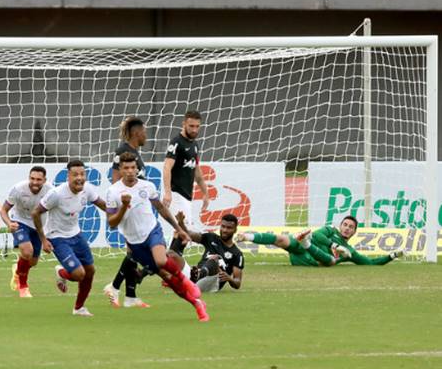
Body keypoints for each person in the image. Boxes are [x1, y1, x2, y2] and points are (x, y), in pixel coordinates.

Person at [106, 153, 208, 321]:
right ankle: (196, 304)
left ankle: (186, 280)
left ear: (137, 169)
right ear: (120, 170)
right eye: (126, 168)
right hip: (134, 241)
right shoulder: (113, 192)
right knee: (165, 275)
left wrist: (178, 228)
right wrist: (124, 206)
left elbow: (160, 208)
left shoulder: (147, 186)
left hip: (152, 231)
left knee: (161, 260)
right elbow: (112, 223)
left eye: (133, 167)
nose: (130, 171)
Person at [31, 159, 106, 317]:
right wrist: (43, 239)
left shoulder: (87, 189)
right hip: (57, 237)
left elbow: (103, 205)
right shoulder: (56, 194)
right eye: (75, 175)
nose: (79, 178)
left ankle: (79, 308)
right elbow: (35, 212)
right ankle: (62, 273)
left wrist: (122, 211)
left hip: (76, 234)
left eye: (82, 174)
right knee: (79, 274)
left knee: (90, 271)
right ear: (68, 176)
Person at [104, 116, 151, 308]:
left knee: (135, 252)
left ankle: (130, 296)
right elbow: (116, 180)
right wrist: (123, 205)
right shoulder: (123, 151)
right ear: (136, 132)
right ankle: (114, 287)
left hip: (136, 208)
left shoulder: (134, 153)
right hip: (127, 209)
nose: (146, 135)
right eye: (144, 131)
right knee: (135, 252)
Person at [236, 215, 405, 267]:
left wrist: (392, 255)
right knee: (280, 239)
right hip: (302, 250)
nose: (346, 228)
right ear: (340, 226)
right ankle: (248, 237)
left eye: (350, 227)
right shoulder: (330, 230)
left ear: (354, 232)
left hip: (311, 260)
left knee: (331, 261)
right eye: (344, 225)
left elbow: (370, 263)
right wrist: (335, 245)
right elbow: (317, 235)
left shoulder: (349, 251)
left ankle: (305, 243)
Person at [0, 166, 53, 298]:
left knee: (33, 262)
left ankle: (18, 270)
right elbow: (3, 210)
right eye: (32, 178)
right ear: (29, 177)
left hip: (38, 225)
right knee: (27, 251)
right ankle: (23, 287)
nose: (35, 182)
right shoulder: (18, 189)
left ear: (44, 180)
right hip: (19, 221)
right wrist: (9, 223)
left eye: (39, 179)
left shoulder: (51, 192)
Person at [162, 110, 210, 231]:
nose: (194, 130)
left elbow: (197, 172)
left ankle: (167, 250)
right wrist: (168, 192)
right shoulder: (176, 142)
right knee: (184, 231)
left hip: (187, 195)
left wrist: (205, 193)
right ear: (184, 124)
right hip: (176, 193)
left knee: (182, 233)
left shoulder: (194, 144)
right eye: (191, 126)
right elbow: (167, 167)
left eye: (197, 126)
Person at [172, 212, 244, 293]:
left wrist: (229, 278)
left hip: (212, 283)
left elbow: (237, 283)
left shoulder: (237, 253)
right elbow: (188, 234)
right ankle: (174, 278)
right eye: (223, 226)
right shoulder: (211, 237)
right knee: (171, 254)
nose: (225, 230)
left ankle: (197, 275)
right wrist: (181, 223)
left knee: (215, 258)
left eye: (229, 228)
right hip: (194, 278)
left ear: (235, 230)